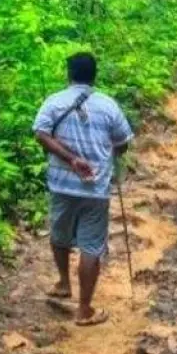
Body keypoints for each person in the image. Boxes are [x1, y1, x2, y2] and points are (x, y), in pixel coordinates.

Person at [32, 52, 134, 327]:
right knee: (91, 246)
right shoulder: (108, 105)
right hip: (96, 186)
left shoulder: (54, 101)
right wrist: (107, 151)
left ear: (69, 74)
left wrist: (70, 159)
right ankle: (84, 310)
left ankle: (64, 282)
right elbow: (123, 141)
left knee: (59, 233)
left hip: (62, 183)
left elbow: (40, 133)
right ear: (94, 75)